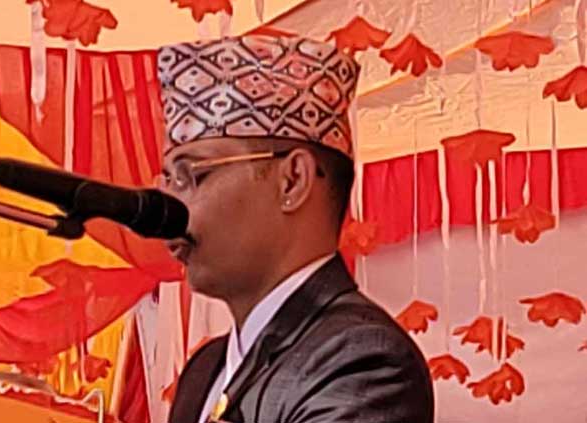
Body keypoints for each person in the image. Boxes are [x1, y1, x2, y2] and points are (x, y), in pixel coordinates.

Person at [155, 35, 434, 423]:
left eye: (190, 175)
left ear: (292, 181)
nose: (169, 207)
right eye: (168, 180)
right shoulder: (204, 368)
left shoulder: (363, 359)